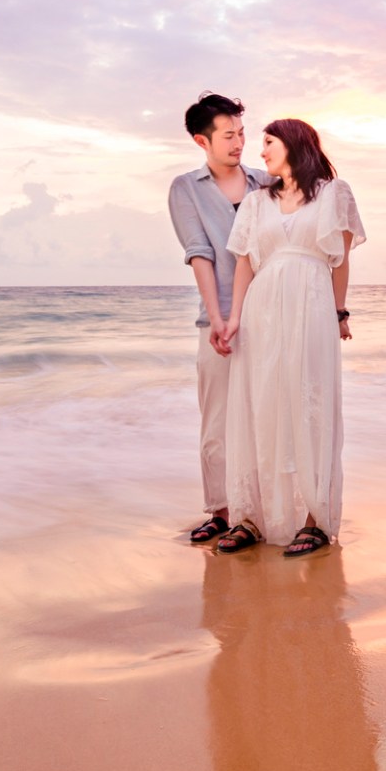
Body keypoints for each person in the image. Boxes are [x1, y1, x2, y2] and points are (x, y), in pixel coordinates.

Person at [215, 118, 365, 558]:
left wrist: (339, 313)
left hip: (311, 305)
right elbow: (245, 263)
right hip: (262, 309)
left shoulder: (334, 193)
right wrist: (234, 318)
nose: (259, 152)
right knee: (260, 404)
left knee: (309, 403)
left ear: (294, 143)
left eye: (268, 142)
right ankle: (252, 518)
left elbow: (339, 261)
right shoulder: (257, 202)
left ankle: (315, 519)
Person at [167, 92, 273, 545]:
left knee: (267, 418)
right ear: (201, 140)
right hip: (217, 319)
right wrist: (217, 317)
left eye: (242, 133)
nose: (239, 142)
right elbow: (200, 253)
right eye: (228, 135)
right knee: (217, 421)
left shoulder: (266, 183)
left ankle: (259, 512)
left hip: (269, 315)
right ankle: (221, 511)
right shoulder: (185, 188)